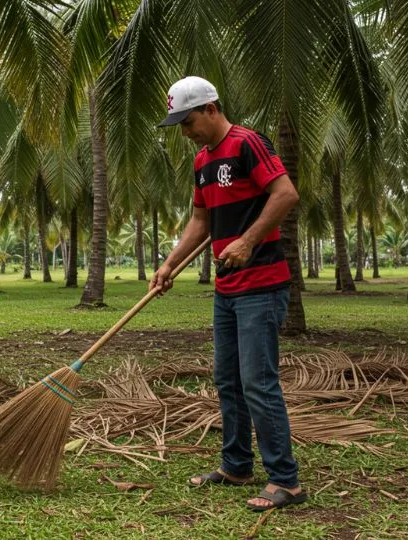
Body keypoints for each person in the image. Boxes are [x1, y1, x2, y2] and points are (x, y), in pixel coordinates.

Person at [152, 76, 307, 511]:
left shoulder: (247, 144)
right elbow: (200, 222)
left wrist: (248, 240)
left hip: (261, 283)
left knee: (259, 382)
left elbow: (285, 193)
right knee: (228, 381)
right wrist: (168, 264)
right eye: (179, 125)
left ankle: (286, 481)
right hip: (227, 287)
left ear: (211, 108)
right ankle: (236, 465)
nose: (185, 132)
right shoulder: (202, 160)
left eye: (188, 122)